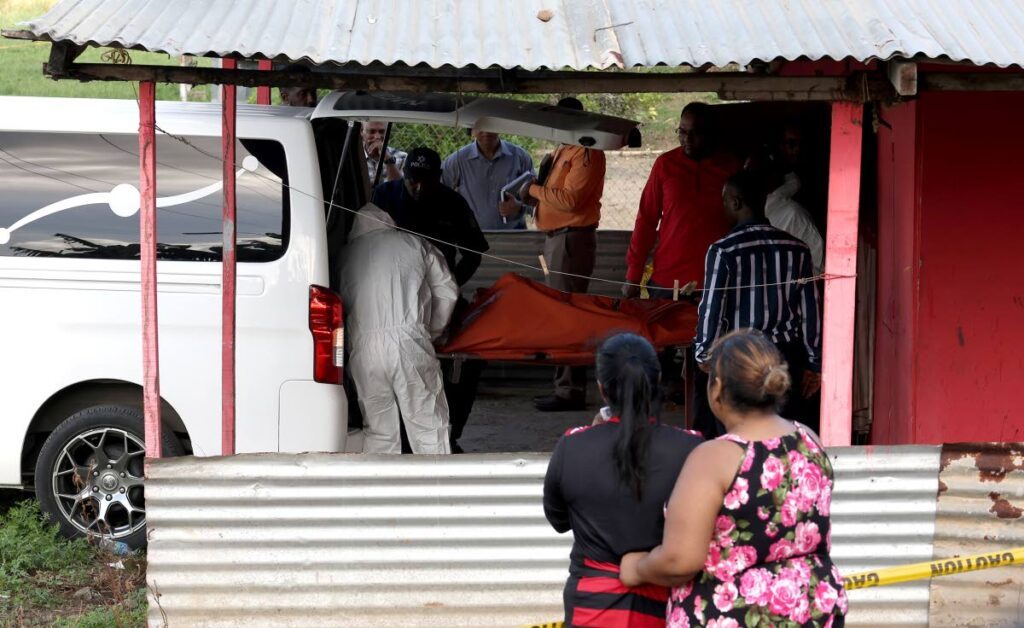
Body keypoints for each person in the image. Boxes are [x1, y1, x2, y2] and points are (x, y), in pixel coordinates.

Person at [619, 329, 848, 627]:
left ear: (717, 388)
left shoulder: (714, 458)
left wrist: (636, 568)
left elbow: (680, 561)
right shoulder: (809, 439)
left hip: (733, 616)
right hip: (812, 611)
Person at [544, 333, 703, 627]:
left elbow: (558, 520)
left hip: (590, 607)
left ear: (603, 389)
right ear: (655, 384)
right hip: (667, 606)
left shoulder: (572, 446)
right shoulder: (692, 450)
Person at [372, 147, 491, 452]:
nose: (419, 187)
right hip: (394, 301)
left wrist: (450, 286)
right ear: (404, 175)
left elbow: (475, 250)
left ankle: (450, 435)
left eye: (427, 181)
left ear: (439, 178)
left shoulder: (452, 202)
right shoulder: (384, 197)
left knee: (466, 364)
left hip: (442, 299)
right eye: (413, 180)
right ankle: (400, 438)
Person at [693, 170, 822, 436]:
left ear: (736, 203)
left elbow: (711, 309)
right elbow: (811, 312)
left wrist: (704, 354)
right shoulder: (797, 249)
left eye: (725, 201)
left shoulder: (723, 250)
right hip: (787, 358)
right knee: (783, 434)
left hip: (740, 357)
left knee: (738, 434)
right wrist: (813, 363)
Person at [339, 204, 458, 454]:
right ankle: (438, 489)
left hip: (364, 350)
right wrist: (431, 332)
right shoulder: (414, 243)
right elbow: (447, 291)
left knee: (379, 431)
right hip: (409, 341)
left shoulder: (345, 255)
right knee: (428, 425)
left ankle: (383, 489)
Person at [521, 97, 607, 412]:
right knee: (561, 312)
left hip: (571, 240)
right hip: (558, 238)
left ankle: (570, 390)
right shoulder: (564, 150)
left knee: (568, 314)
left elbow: (570, 200)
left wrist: (532, 190)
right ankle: (564, 386)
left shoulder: (586, 152)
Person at [623, 102, 739, 300]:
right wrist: (633, 275)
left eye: (695, 133)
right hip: (667, 281)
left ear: (711, 133)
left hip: (717, 282)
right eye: (682, 132)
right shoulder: (665, 165)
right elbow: (646, 220)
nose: (687, 140)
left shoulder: (732, 167)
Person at [746, 147, 825, 275]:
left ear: (772, 175)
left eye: (756, 172)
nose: (750, 179)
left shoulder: (793, 214)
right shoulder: (750, 209)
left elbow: (816, 268)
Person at [442, 126, 536, 230]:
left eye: (491, 124)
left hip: (513, 236)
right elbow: (438, 197)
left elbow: (538, 202)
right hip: (471, 237)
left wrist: (520, 208)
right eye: (480, 126)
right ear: (471, 129)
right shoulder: (456, 161)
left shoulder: (520, 157)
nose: (486, 131)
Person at [363, 120, 407, 185]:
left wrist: (387, 157)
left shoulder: (402, 157)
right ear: (362, 132)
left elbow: (398, 190)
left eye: (382, 132)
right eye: (371, 132)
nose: (377, 137)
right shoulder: (354, 157)